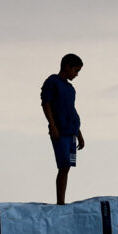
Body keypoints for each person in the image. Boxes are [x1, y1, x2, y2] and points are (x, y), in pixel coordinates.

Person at [40, 54, 85, 204]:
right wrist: (53, 125)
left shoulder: (71, 89)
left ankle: (62, 201)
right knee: (63, 164)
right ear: (67, 66)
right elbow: (46, 103)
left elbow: (72, 111)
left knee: (67, 167)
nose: (76, 74)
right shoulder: (52, 82)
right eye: (76, 70)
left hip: (71, 131)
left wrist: (79, 133)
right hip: (60, 131)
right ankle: (60, 202)